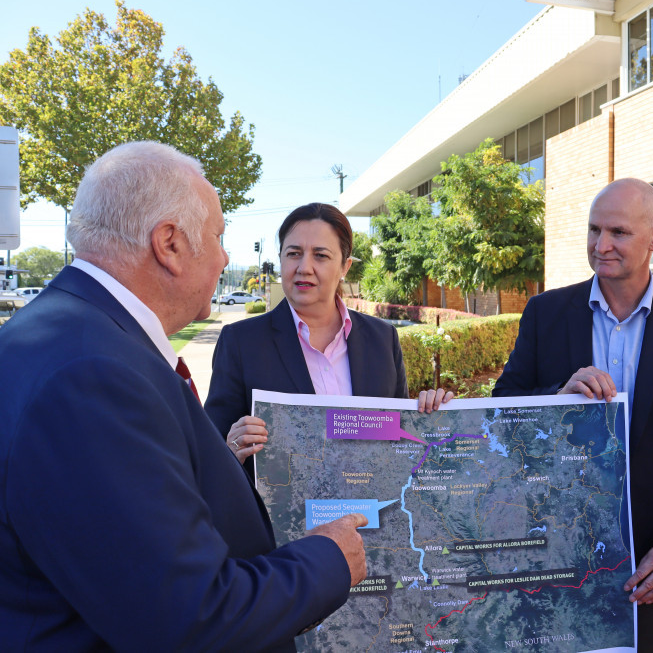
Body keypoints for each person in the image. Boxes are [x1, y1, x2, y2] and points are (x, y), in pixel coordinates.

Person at [0, 142, 368, 650]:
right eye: (218, 237)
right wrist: (326, 561)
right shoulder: (93, 376)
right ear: (169, 243)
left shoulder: (73, 337)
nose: (224, 257)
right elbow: (188, 615)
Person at [493, 177, 653, 651]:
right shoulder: (546, 313)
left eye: (619, 233)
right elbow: (504, 406)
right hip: (560, 553)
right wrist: (558, 397)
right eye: (593, 230)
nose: (601, 245)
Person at [205, 202, 450, 467]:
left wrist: (427, 418)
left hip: (368, 508)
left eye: (320, 255)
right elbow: (209, 450)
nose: (304, 267)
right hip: (274, 509)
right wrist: (231, 449)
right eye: (293, 253)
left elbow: (399, 441)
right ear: (281, 259)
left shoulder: (383, 339)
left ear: (344, 267)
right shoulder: (241, 342)